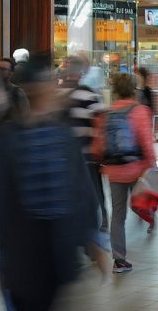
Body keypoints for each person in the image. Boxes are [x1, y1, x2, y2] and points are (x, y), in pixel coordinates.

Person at [0, 58, 108, 308]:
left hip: (57, 251)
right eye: (50, 82)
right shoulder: (8, 138)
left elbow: (80, 192)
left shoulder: (61, 134)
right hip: (25, 253)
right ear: (36, 88)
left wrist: (93, 243)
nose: (55, 87)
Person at [92, 72, 156, 272]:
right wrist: (152, 165)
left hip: (114, 171)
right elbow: (146, 141)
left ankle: (119, 259)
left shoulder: (106, 114)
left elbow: (98, 147)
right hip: (137, 170)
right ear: (133, 89)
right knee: (143, 203)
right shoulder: (140, 111)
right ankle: (149, 219)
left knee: (118, 215)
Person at [61, 55, 107, 231]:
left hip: (65, 155)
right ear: (81, 72)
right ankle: (100, 221)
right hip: (87, 154)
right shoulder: (88, 93)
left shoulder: (55, 93)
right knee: (95, 190)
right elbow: (100, 120)